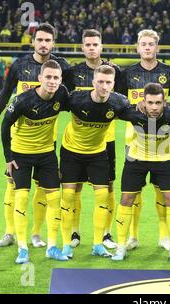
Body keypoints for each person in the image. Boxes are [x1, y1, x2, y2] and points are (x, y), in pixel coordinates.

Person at [0, 23, 69, 249]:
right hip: (18, 137)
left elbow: (71, 94)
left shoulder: (61, 66)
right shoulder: (19, 65)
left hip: (46, 137)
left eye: (48, 40)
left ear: (53, 43)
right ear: (33, 41)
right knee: (13, 184)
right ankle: (9, 232)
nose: (43, 44)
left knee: (43, 188)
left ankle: (36, 233)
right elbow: (5, 93)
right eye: (40, 40)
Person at [112, 83, 170, 262]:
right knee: (126, 198)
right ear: (143, 101)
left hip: (164, 160)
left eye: (158, 103)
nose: (154, 107)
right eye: (150, 102)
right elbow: (114, 106)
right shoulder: (132, 112)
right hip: (136, 159)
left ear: (164, 102)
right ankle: (120, 246)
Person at [115, 29, 170, 251]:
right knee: (134, 191)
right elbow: (118, 102)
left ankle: (164, 235)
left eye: (151, 44)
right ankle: (132, 235)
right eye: (143, 44)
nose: (147, 48)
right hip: (132, 140)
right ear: (137, 48)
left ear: (157, 48)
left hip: (163, 142)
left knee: (162, 190)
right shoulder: (127, 74)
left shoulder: (168, 73)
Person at [1, 60, 69, 264]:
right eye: (48, 77)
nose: (52, 81)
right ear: (39, 78)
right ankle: (22, 248)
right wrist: (9, 158)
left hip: (47, 155)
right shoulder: (22, 100)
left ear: (60, 80)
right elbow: (5, 126)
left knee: (55, 199)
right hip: (21, 155)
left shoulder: (62, 94)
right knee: (21, 198)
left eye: (56, 77)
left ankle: (52, 247)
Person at [60, 65, 131, 259]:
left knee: (102, 197)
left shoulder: (119, 102)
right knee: (67, 196)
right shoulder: (75, 98)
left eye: (108, 82)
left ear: (113, 84)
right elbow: (52, 106)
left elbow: (135, 114)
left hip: (97, 153)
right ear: (93, 83)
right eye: (100, 81)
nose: (104, 86)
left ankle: (98, 244)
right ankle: (66, 244)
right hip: (71, 152)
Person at [64, 29, 120, 250]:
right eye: (87, 44)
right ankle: (74, 232)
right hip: (78, 141)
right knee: (74, 187)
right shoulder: (73, 72)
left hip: (107, 138)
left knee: (108, 187)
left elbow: (121, 100)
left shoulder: (114, 71)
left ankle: (106, 233)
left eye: (95, 44)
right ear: (82, 47)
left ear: (101, 46)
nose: (91, 48)